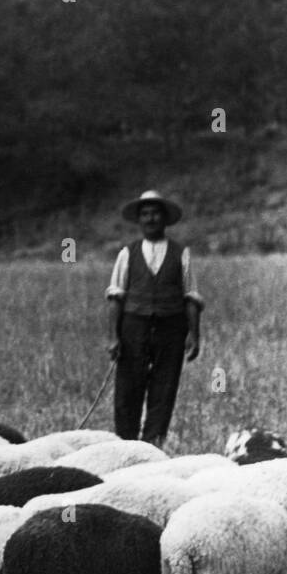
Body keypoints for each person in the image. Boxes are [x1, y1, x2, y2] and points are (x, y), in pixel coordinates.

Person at [105, 190, 204, 446]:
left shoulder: (181, 253)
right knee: (128, 391)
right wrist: (114, 337)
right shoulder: (128, 253)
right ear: (139, 220)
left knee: (164, 389)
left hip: (171, 328)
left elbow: (191, 297)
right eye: (145, 214)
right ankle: (126, 447)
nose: (150, 219)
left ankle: (152, 447)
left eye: (155, 213)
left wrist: (194, 334)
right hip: (133, 327)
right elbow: (116, 296)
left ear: (164, 218)